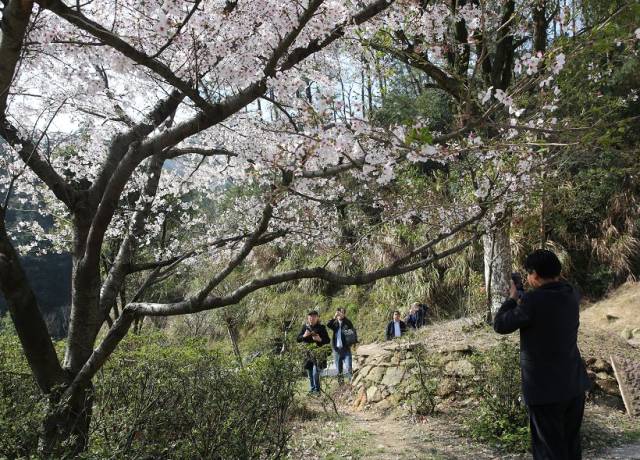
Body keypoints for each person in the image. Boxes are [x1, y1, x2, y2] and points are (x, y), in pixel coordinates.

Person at [493, 249, 591, 460]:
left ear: (535, 275)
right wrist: (524, 298)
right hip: (574, 385)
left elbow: (501, 325)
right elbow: (546, 305)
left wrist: (512, 299)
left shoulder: (532, 302)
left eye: (529, 274)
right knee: (571, 447)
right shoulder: (571, 293)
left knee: (548, 451)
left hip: (545, 391)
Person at [296, 310, 330, 394]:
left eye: (314, 316)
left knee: (315, 373)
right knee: (310, 373)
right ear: (308, 318)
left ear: (317, 318)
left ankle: (317, 390)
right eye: (310, 317)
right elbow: (298, 339)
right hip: (307, 354)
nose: (312, 318)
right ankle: (312, 389)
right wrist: (304, 336)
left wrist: (320, 339)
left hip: (318, 354)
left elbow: (328, 340)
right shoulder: (305, 327)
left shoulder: (321, 327)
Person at [326, 307, 355, 384]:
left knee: (349, 367)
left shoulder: (347, 322)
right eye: (338, 312)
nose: (339, 314)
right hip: (336, 350)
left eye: (341, 312)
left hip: (346, 349)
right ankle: (341, 385)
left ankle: (351, 383)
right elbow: (328, 324)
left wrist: (343, 320)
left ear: (344, 314)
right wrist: (334, 317)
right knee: (339, 370)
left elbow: (352, 332)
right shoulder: (335, 323)